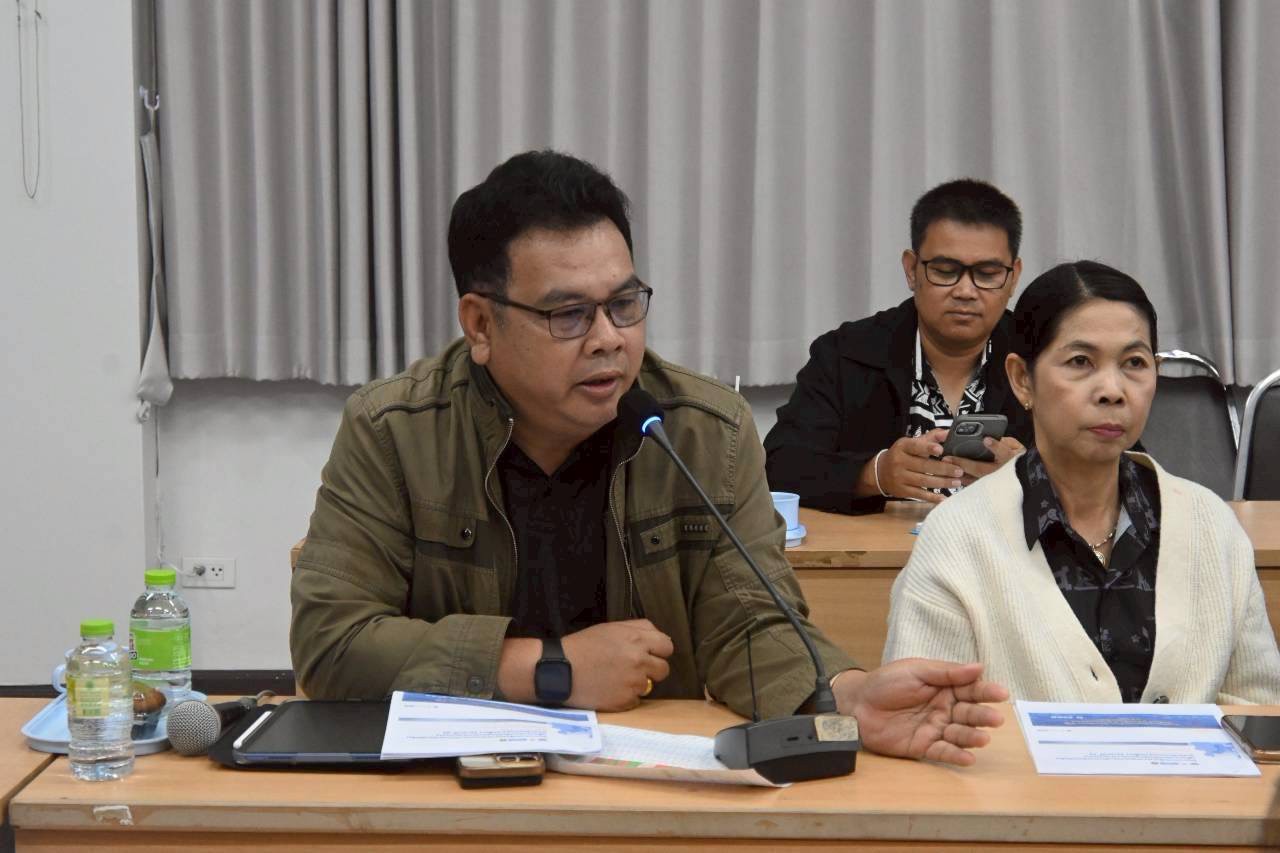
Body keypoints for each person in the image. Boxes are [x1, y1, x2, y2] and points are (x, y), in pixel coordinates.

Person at [291, 150, 1007, 765]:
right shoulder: (394, 430)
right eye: (569, 314)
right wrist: (549, 669)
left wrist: (848, 695)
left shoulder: (701, 430)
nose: (609, 338)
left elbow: (749, 623)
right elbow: (333, 643)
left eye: (624, 303)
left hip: (642, 776)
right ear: (480, 324)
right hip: (455, 783)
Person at [882, 261, 1280, 703]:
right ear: (1022, 380)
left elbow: (1259, 712)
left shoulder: (1212, 527)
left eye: (1134, 363)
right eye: (1080, 362)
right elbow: (930, 721)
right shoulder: (957, 538)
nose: (1112, 390)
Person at [765, 179, 1033, 514]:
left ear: (1013, 277)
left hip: (1001, 546)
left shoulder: (1041, 357)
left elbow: (1092, 470)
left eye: (988, 274)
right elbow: (780, 466)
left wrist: (1028, 476)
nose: (965, 291)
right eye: (945, 271)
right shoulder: (846, 353)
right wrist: (874, 474)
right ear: (911, 270)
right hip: (878, 547)